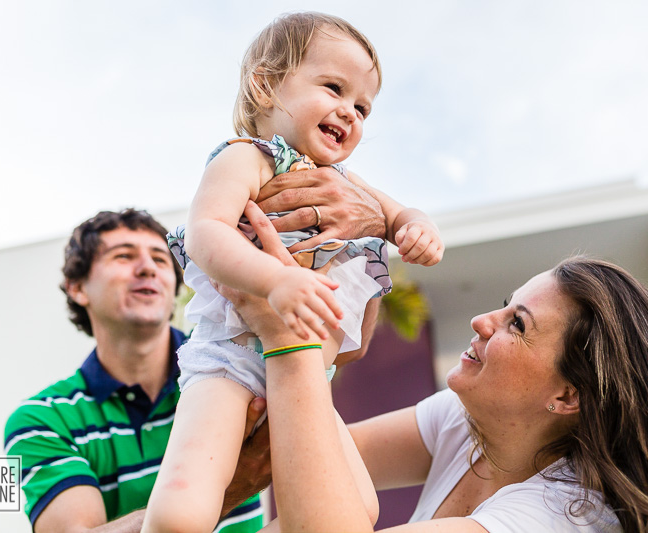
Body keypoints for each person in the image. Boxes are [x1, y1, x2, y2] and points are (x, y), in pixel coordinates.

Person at [223, 203, 648, 532]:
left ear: (567, 396)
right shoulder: (467, 419)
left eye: (517, 324)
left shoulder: (565, 516)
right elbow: (311, 460)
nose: (481, 321)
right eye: (503, 304)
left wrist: (292, 348)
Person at [143, 12, 443, 533]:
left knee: (359, 509)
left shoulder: (346, 183)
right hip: (231, 358)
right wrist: (275, 280)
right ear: (265, 85)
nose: (349, 113)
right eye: (333, 88)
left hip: (308, 371)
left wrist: (420, 229)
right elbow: (206, 233)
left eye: (363, 107)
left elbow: (400, 215)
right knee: (182, 509)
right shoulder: (249, 158)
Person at [3, 180, 387, 532]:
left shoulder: (237, 360)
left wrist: (370, 233)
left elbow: (346, 350)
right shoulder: (42, 419)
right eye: (123, 256)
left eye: (158, 258)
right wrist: (230, 487)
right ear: (78, 288)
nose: (147, 268)